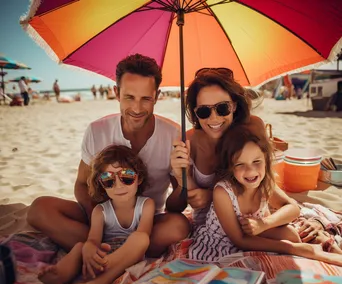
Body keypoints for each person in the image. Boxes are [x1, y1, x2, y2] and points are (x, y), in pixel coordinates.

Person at [27, 53, 190, 258]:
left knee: (179, 226)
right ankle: (118, 251)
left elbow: (177, 206)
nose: (137, 108)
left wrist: (183, 183)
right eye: (129, 97)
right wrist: (99, 220)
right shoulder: (97, 130)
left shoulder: (174, 135)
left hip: (147, 221)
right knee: (39, 209)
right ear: (116, 92)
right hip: (100, 216)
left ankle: (100, 251)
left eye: (146, 99)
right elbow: (81, 184)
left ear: (156, 96)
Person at [188, 125, 342, 265]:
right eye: (240, 164)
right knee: (293, 241)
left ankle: (327, 250)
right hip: (226, 241)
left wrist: (265, 223)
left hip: (257, 230)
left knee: (293, 234)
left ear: (266, 160)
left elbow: (293, 208)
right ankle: (314, 252)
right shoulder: (223, 192)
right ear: (230, 167)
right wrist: (294, 249)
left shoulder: (264, 182)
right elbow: (240, 240)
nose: (251, 171)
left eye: (257, 162)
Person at [38, 145, 154, 284]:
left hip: (128, 256)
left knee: (140, 238)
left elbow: (143, 236)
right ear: (101, 184)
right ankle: (59, 275)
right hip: (103, 255)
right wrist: (90, 250)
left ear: (139, 178)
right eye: (108, 179)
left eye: (126, 176)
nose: (118, 185)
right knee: (81, 247)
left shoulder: (146, 205)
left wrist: (107, 261)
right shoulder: (100, 211)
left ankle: (102, 281)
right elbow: (93, 239)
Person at [167, 68, 265, 227]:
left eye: (222, 108)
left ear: (234, 106)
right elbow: (173, 207)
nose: (214, 118)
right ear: (195, 113)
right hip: (207, 227)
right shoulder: (187, 142)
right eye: (204, 111)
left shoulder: (253, 128)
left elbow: (267, 186)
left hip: (251, 223)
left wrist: (212, 196)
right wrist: (181, 179)